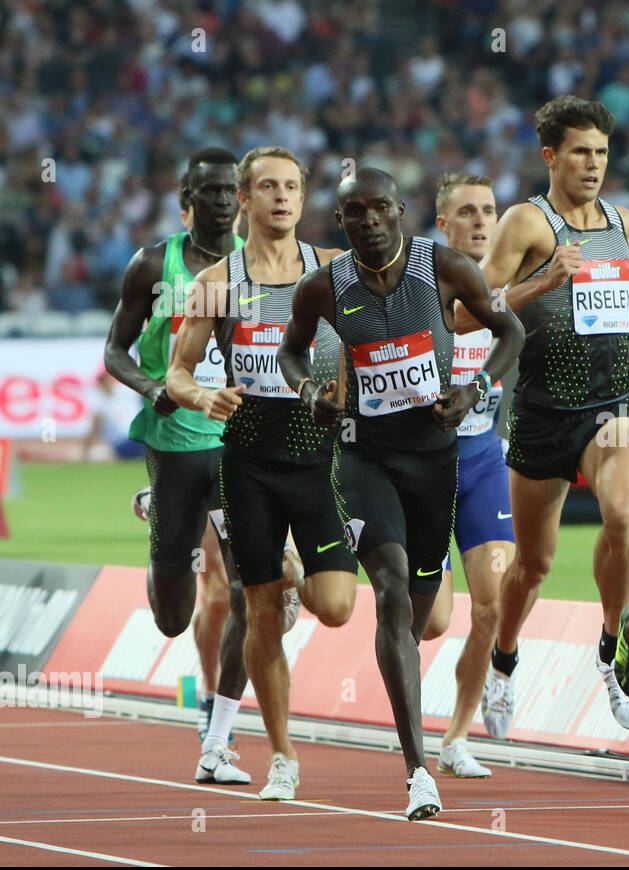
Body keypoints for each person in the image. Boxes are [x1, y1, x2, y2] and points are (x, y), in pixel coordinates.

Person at [279, 167, 524, 820]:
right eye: (353, 211)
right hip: (365, 456)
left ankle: (421, 721)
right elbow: (292, 355)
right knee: (389, 589)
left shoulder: (439, 266)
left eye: (379, 207)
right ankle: (418, 770)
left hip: (435, 461)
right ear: (341, 221)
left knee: (423, 615)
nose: (367, 219)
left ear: (401, 210)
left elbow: (511, 332)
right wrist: (311, 394)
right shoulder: (323, 288)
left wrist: (476, 390)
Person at [168, 146, 359, 799]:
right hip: (247, 459)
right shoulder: (217, 282)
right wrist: (201, 397)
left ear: (304, 200)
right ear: (244, 200)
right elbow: (177, 372)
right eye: (269, 187)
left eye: (294, 188)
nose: (283, 197)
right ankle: (282, 756)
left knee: (335, 608)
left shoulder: (336, 271)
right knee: (259, 611)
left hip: (316, 462)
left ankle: (297, 572)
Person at [477, 96, 629, 739]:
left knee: (625, 516)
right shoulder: (526, 222)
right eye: (580, 151)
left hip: (608, 408)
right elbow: (474, 309)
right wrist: (544, 282)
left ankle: (611, 650)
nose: (593, 163)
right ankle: (504, 659)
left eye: (602, 151)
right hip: (542, 411)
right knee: (533, 564)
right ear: (551, 156)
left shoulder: (623, 223)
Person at [103, 148, 249, 772]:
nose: (221, 200)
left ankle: (218, 740)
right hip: (174, 444)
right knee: (172, 615)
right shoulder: (152, 265)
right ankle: (159, 514)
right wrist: (154, 387)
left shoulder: (265, 267)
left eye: (229, 190)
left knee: (250, 590)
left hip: (241, 449)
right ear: (187, 199)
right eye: (209, 191)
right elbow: (114, 350)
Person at [418, 173, 515, 779]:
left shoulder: (505, 282)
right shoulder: (422, 286)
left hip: (482, 460)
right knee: (433, 621)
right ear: (443, 224)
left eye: (489, 210)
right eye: (468, 212)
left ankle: (456, 736)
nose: (481, 221)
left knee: (492, 605)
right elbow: (465, 317)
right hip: (424, 466)